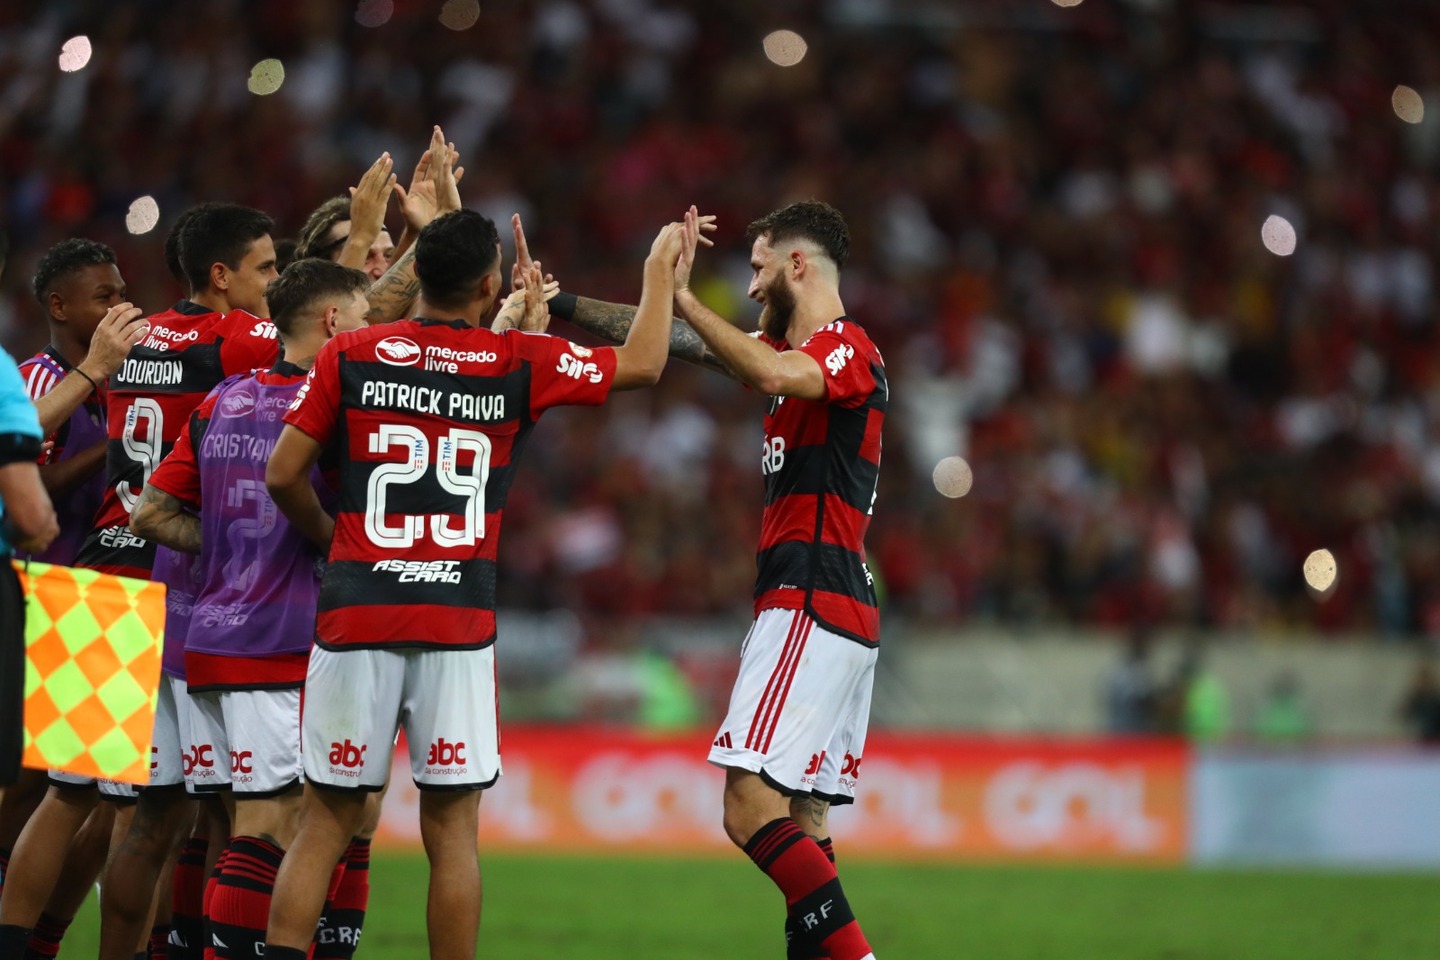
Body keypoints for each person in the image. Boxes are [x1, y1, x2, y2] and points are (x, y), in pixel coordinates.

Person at [259, 208, 681, 960]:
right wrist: (656, 270)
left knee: (324, 822)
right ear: (491, 285)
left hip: (358, 613)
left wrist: (335, 538)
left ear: (415, 272)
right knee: (452, 835)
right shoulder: (517, 360)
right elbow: (646, 362)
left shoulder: (351, 352)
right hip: (456, 624)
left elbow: (283, 474)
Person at [549, 201, 883, 959]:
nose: (755, 286)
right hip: (834, 609)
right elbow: (677, 340)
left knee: (746, 806)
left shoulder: (844, 347)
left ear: (800, 265)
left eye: (761, 269)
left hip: (810, 601)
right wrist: (561, 304)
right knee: (804, 819)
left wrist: (688, 289)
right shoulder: (794, 352)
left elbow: (763, 365)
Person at [130, 259, 373, 959]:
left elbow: (151, 513)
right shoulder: (328, 405)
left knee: (236, 823)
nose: (366, 332)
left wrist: (232, 549)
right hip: (277, 639)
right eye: (359, 316)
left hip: (206, 639)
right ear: (332, 322)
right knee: (270, 826)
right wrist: (312, 544)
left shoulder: (224, 399)